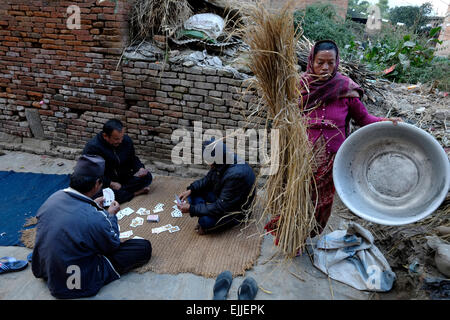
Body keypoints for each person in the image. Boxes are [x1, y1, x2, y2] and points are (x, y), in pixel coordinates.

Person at [265, 39, 401, 240]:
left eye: (330, 62)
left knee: (319, 202)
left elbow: (364, 119)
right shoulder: (298, 87)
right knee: (294, 197)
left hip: (331, 160)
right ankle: (289, 235)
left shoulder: (345, 88)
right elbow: (284, 118)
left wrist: (386, 122)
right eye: (320, 62)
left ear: (337, 62)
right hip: (300, 156)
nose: (325, 67)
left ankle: (305, 234)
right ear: (311, 61)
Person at [31, 155, 152, 299]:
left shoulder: (53, 197)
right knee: (142, 247)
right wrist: (110, 215)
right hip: (74, 282)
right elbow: (112, 245)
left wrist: (93, 205)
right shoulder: (95, 218)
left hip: (46, 268)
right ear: (97, 185)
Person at [177, 139, 256, 235]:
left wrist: (192, 209)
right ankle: (204, 209)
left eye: (209, 162)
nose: (209, 165)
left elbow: (221, 207)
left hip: (236, 209)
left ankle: (207, 216)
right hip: (224, 194)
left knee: (205, 221)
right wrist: (191, 189)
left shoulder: (236, 175)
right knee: (192, 193)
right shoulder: (221, 160)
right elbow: (208, 179)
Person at [83, 119, 153, 204]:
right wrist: (110, 183)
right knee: (95, 195)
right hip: (105, 181)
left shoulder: (126, 141)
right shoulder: (92, 147)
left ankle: (121, 193)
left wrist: (140, 168)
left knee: (147, 177)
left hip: (123, 177)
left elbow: (133, 158)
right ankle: (134, 193)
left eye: (121, 137)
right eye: (116, 139)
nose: (120, 141)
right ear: (105, 136)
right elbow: (91, 173)